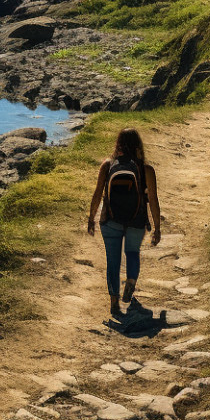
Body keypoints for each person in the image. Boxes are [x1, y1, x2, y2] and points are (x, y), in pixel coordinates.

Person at [86, 128, 162, 316]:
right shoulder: (146, 169)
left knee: (113, 261)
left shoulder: (108, 165)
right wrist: (157, 228)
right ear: (138, 145)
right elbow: (153, 199)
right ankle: (130, 282)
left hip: (110, 221)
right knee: (132, 253)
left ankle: (114, 302)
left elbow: (97, 194)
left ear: (118, 143)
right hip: (136, 221)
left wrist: (91, 218)